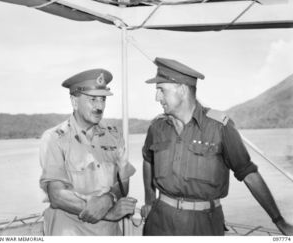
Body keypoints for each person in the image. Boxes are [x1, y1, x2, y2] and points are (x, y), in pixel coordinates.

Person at [141, 57, 293, 236]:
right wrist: (149, 201)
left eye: (161, 90)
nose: (156, 97)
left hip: (204, 225)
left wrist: (279, 221)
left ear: (181, 90)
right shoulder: (157, 127)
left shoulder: (220, 127)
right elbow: (148, 160)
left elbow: (249, 174)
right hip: (159, 222)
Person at [39, 68, 137, 236]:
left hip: (109, 233)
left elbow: (124, 183)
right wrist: (109, 213)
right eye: (93, 99)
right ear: (74, 101)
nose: (100, 106)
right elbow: (56, 195)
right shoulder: (54, 138)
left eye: (103, 99)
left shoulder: (114, 136)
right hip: (70, 233)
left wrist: (110, 198)